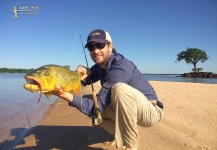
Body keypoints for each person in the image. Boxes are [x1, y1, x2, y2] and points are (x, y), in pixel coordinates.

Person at [54, 29, 164, 150]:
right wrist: (72, 78)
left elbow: (97, 107)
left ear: (110, 46)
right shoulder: (99, 66)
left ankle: (131, 145)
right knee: (87, 99)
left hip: (151, 111)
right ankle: (123, 134)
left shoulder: (120, 67)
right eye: (91, 47)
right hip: (130, 108)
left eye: (100, 45)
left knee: (119, 89)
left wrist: (65, 96)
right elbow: (84, 81)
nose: (95, 51)